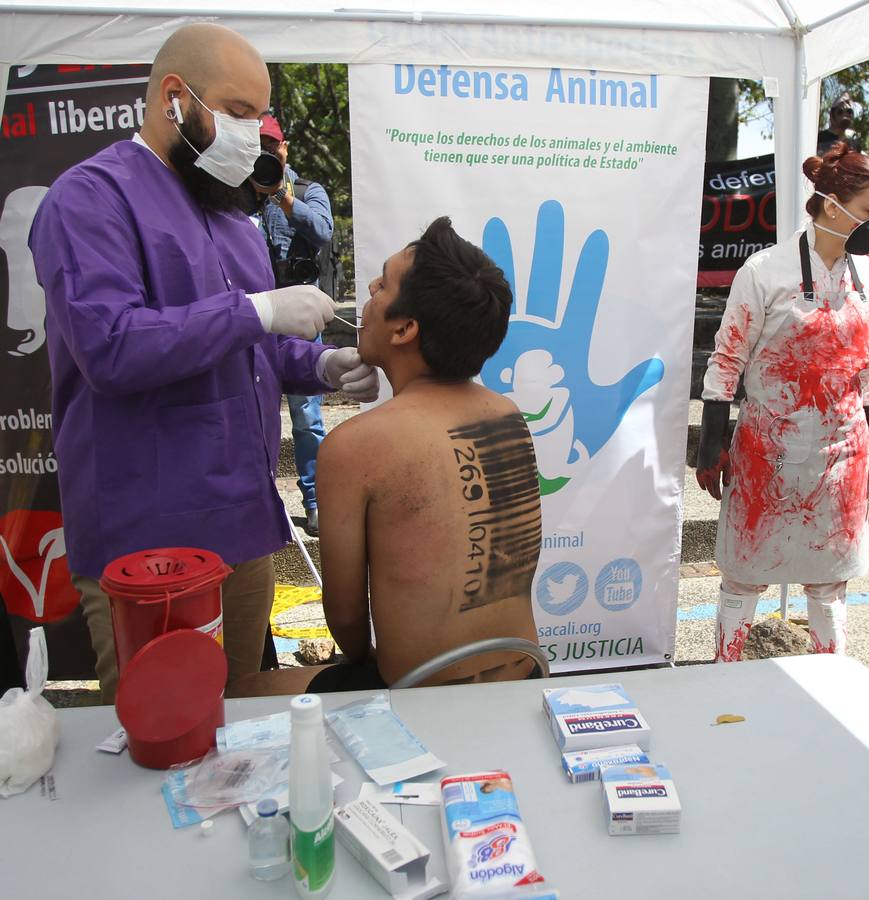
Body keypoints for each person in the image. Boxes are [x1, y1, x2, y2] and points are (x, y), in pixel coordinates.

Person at [27, 23, 379, 702]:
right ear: (173, 97)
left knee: (240, 719)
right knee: (164, 730)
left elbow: (254, 349)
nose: (251, 134)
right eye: (237, 113)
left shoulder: (231, 217)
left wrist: (324, 365)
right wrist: (257, 311)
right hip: (147, 538)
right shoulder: (90, 199)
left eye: (258, 116)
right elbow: (111, 346)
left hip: (242, 523)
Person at [240, 216, 543, 695]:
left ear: (404, 328)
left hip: (422, 695)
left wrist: (363, 665)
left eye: (381, 285)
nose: (369, 292)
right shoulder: (506, 414)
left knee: (240, 694)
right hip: (527, 671)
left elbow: (344, 617)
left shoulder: (355, 446)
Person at [696, 142, 869, 663]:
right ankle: (725, 669)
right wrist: (711, 445)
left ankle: (831, 677)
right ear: (834, 206)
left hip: (843, 450)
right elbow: (725, 365)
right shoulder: (765, 272)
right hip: (770, 449)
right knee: (744, 573)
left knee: (830, 581)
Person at [254, 113, 335, 536]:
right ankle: (257, 498)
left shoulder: (308, 190)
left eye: (272, 147)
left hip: (300, 318)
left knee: (306, 417)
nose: (266, 153)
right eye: (259, 147)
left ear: (284, 148)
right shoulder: (238, 195)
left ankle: (315, 501)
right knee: (252, 409)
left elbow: (323, 232)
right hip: (258, 316)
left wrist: (284, 198)